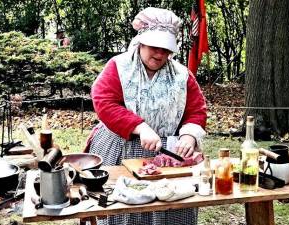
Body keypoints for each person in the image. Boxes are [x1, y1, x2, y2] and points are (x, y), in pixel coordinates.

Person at [85, 7, 207, 225]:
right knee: (124, 209)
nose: (160, 54)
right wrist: (140, 127)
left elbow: (196, 110)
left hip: (168, 152)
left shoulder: (182, 75)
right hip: (121, 146)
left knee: (171, 206)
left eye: (166, 49)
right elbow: (104, 101)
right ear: (141, 41)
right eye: (154, 47)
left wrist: (189, 136)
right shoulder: (119, 66)